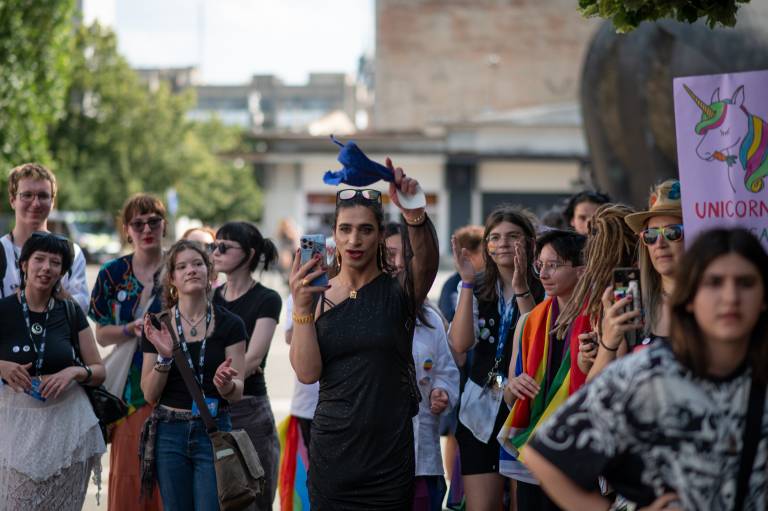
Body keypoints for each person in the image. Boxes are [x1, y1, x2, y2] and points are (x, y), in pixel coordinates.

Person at [524, 228, 768, 510]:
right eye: (714, 283)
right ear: (690, 297)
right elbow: (542, 455)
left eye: (746, 283)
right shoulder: (648, 372)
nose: (731, 297)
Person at [289, 160, 439, 510]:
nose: (354, 240)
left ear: (380, 234)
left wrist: (414, 212)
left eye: (365, 230)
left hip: (389, 458)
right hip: (333, 456)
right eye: (345, 229)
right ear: (334, 234)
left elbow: (426, 263)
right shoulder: (317, 295)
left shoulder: (399, 291)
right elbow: (307, 374)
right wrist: (302, 308)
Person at [0, 232, 106, 509]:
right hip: (14, 427)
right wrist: (1, 366)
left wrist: (74, 372)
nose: (46, 267)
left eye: (55, 263)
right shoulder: (3, 310)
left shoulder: (70, 310)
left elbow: (98, 370)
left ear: (62, 272)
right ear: (24, 264)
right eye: (39, 259)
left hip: (68, 427)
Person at [140, 239, 247, 509]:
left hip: (213, 430)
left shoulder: (231, 324)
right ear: (172, 278)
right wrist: (165, 356)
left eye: (198, 264)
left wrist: (225, 385)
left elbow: (237, 392)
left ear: (209, 273)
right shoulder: (157, 325)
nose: (191, 270)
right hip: (169, 432)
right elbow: (150, 394)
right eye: (182, 266)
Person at [449, 205, 543, 511]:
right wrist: (466, 281)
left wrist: (522, 289)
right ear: (487, 245)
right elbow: (460, 343)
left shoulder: (543, 285)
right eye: (495, 237)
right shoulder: (476, 285)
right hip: (479, 409)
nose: (503, 243)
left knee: (524, 505)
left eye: (513, 236)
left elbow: (537, 339)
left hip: (528, 406)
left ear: (529, 243)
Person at [89, 193, 166, 510]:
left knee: (169, 483)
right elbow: (101, 335)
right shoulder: (112, 273)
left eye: (154, 222)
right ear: (127, 230)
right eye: (138, 223)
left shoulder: (181, 266)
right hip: (128, 393)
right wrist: (128, 329)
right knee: (128, 480)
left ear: (164, 225)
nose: (146, 229)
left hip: (173, 390)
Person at [500, 229, 586, 510]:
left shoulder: (598, 320)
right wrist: (513, 386)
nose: (544, 274)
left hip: (579, 448)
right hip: (536, 447)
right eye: (540, 265)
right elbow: (509, 396)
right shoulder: (530, 322)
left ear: (581, 270)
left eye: (554, 265)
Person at [385, 222, 460, 511]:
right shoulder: (357, 309)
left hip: (422, 461)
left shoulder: (430, 317)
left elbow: (446, 371)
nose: (398, 263)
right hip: (372, 462)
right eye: (389, 254)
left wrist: (442, 391)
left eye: (407, 255)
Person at [212, 221, 282, 510]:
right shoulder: (209, 298)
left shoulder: (267, 299)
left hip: (249, 408)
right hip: (212, 408)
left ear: (249, 254)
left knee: (255, 499)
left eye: (224, 246)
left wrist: (215, 375)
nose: (215, 252)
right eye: (213, 246)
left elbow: (253, 359)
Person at [589, 180, 684, 380]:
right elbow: (594, 390)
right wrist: (608, 342)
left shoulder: (715, 302)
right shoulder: (632, 304)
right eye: (650, 235)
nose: (659, 243)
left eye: (673, 232)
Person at [551, 203, 637, 390]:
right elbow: (588, 368)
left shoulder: (618, 290)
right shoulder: (601, 292)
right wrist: (587, 356)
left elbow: (605, 373)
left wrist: (605, 347)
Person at [0, 163, 89, 310]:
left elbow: (82, 309)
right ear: (12, 200)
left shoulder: (71, 252)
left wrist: (55, 291)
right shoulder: (2, 251)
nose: (35, 203)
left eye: (43, 196)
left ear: (52, 202)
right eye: (27, 195)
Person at [438, 225, 485, 323]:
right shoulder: (452, 286)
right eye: (484, 251)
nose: (490, 256)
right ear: (468, 255)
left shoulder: (488, 280)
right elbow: (453, 320)